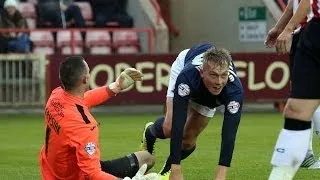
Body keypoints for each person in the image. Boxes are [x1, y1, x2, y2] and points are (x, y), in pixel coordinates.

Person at [39, 56, 160, 180]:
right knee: (146, 160)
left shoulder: (56, 96)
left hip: (52, 172)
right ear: (85, 79)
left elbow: (83, 99)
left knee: (146, 158)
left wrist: (116, 86)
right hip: (76, 176)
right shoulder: (84, 126)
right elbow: (92, 174)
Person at [139, 43, 244, 180]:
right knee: (170, 127)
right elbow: (179, 119)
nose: (219, 81)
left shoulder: (234, 90)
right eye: (213, 75)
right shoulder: (187, 76)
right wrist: (177, 168)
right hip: (187, 70)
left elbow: (229, 134)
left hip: (211, 97)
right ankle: (150, 133)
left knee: (188, 141)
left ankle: (165, 172)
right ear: (202, 72)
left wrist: (220, 176)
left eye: (223, 75)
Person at [265, 0, 320, 179]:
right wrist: (280, 28)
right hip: (311, 32)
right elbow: (295, 3)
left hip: (305, 31)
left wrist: (287, 29)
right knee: (295, 110)